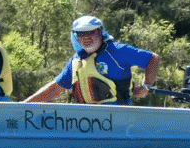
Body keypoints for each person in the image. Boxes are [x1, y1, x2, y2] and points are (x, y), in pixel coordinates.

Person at [23, 15, 159, 105]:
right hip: (89, 119)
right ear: (76, 36)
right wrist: (24, 105)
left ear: (100, 32)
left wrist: (146, 85)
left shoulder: (118, 51)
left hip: (119, 116)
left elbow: (153, 58)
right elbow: (56, 88)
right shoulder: (77, 60)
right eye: (80, 33)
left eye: (90, 32)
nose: (85, 37)